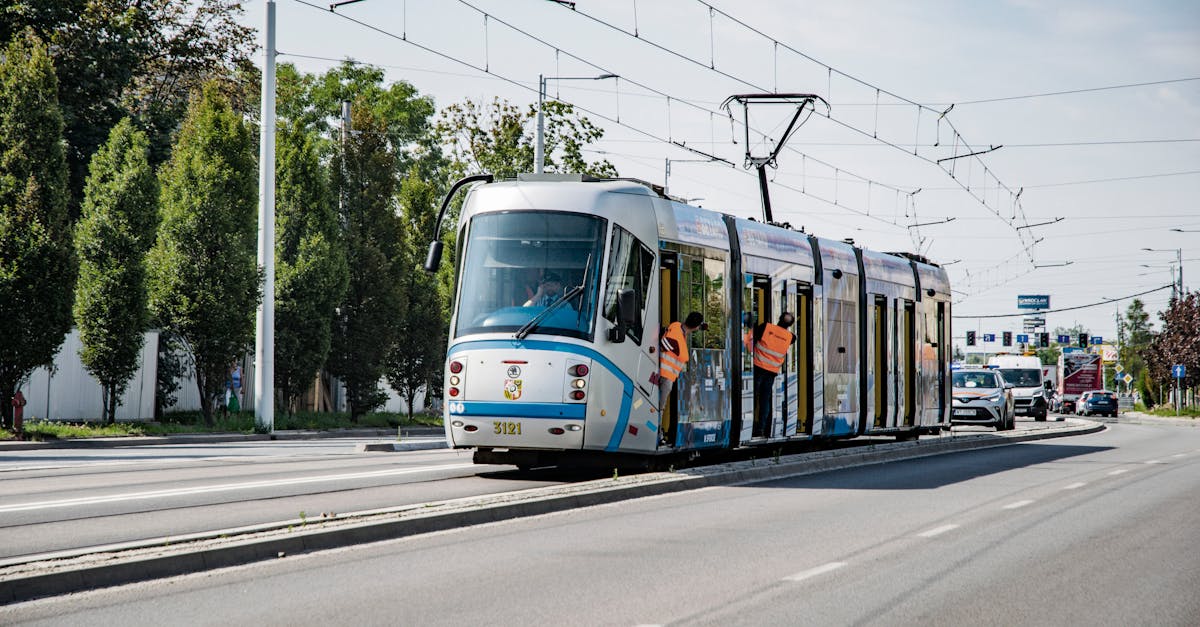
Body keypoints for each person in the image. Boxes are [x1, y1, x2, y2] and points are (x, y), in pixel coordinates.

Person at [658, 311, 704, 445]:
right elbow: (664, 344)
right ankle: (658, 436)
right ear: (696, 327)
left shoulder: (676, 326)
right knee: (659, 407)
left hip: (661, 372)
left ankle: (657, 433)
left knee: (657, 406)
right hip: (666, 377)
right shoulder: (680, 342)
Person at [752, 312, 796, 438]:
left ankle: (749, 424)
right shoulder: (791, 337)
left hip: (757, 367)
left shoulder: (766, 327)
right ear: (790, 325)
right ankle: (761, 429)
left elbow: (752, 337)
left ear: (779, 318)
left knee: (753, 397)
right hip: (771, 372)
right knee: (765, 400)